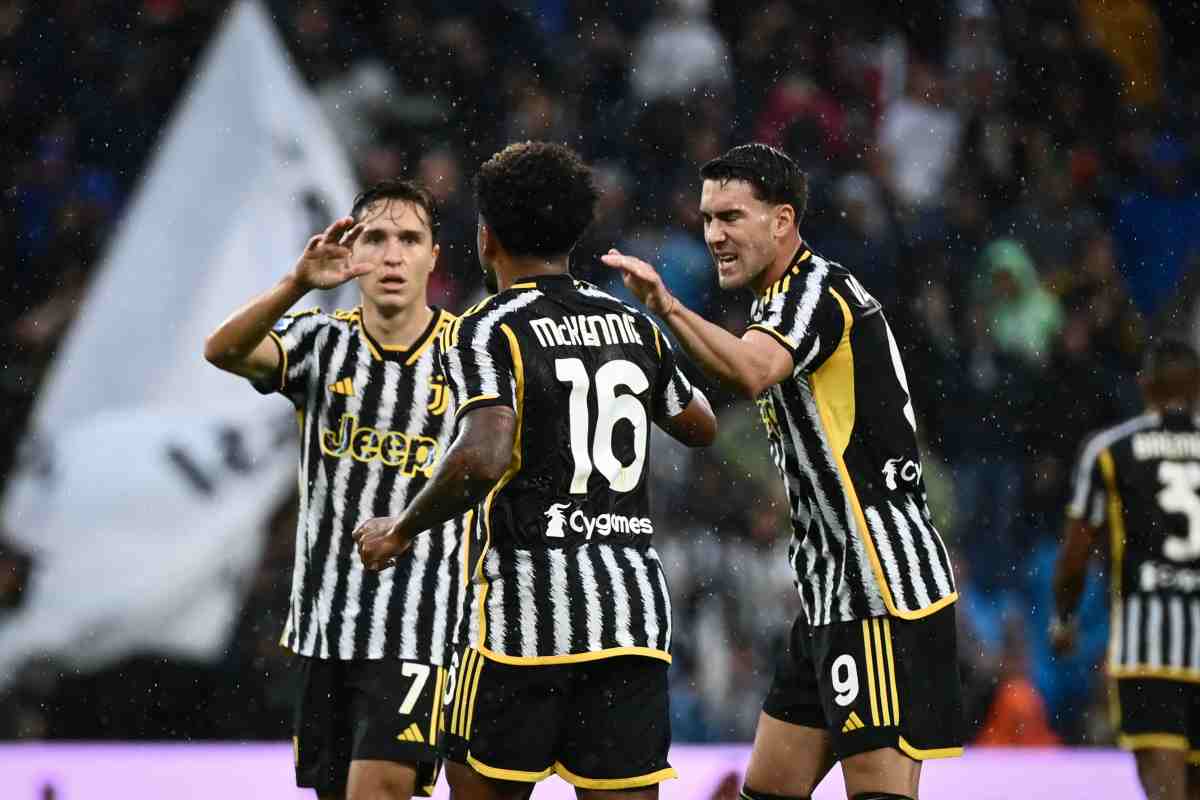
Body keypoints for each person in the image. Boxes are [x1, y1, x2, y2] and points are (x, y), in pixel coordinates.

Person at [354, 141, 716, 799]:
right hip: (629, 619)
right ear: (576, 235)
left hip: (519, 625)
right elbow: (700, 424)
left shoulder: (486, 327)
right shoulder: (630, 323)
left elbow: (485, 455)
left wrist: (401, 530)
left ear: (486, 237)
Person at [602, 143, 963, 800]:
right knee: (769, 789)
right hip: (828, 588)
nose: (714, 235)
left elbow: (752, 370)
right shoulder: (780, 302)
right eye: (707, 219)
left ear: (782, 220)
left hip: (876, 586)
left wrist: (668, 307)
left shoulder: (813, 291)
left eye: (731, 217)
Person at [204, 179, 464, 800]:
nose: (393, 256)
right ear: (351, 251)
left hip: (421, 625)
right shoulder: (321, 340)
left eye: (410, 240)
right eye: (376, 238)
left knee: (379, 789)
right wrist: (296, 283)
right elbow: (223, 350)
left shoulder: (470, 351)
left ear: (433, 256)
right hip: (326, 624)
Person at [1052, 339, 1200, 800]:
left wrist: (1064, 619)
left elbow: (1075, 553)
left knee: (1166, 790)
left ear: (1144, 385)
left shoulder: (1110, 451)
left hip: (1148, 652)